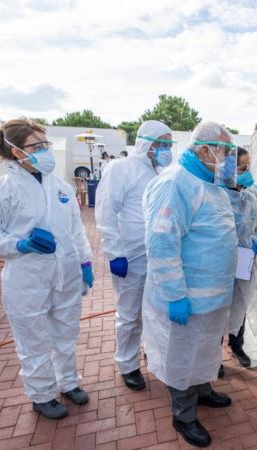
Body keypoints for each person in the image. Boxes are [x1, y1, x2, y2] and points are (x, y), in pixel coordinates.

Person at [0, 119, 94, 420]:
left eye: (45, 145)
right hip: (27, 280)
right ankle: (41, 395)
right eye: (36, 147)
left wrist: (85, 262)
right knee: (33, 339)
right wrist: (20, 244)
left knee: (66, 334)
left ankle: (68, 382)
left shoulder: (61, 187)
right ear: (15, 152)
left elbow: (76, 231)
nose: (44, 152)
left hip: (66, 275)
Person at [142, 121, 238, 448]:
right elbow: (162, 242)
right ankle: (183, 415)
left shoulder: (208, 182)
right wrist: (175, 295)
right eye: (224, 151)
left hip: (213, 295)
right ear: (203, 149)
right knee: (181, 353)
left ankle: (203, 389)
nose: (227, 158)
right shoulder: (176, 183)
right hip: (188, 296)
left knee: (207, 345)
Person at [95, 120, 175, 391]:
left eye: (169, 144)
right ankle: (127, 364)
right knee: (130, 314)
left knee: (156, 311)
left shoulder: (162, 172)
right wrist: (115, 252)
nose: (167, 149)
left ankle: (151, 353)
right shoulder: (121, 168)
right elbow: (106, 212)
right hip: (131, 254)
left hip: (158, 254)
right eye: (162, 144)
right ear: (148, 144)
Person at [223, 147, 257, 369]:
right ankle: (212, 355)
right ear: (229, 169)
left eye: (249, 167)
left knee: (241, 300)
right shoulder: (218, 194)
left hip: (246, 255)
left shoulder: (252, 193)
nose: (248, 172)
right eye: (242, 168)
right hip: (222, 260)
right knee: (218, 305)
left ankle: (236, 345)